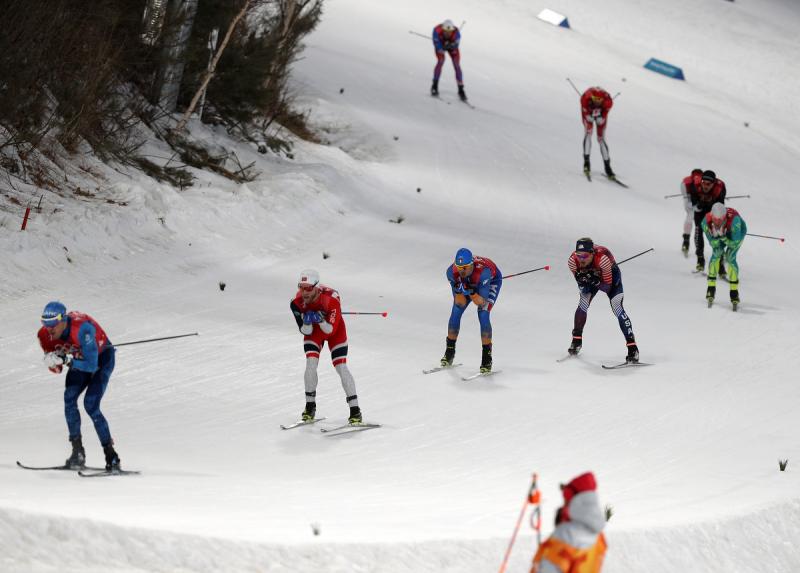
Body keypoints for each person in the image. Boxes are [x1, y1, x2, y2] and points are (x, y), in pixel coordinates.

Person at [37, 301, 121, 471]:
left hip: (101, 358)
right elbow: (58, 369)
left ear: (63, 320)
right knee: (69, 398)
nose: (49, 328)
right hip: (79, 359)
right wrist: (52, 362)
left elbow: (91, 365)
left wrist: (66, 359)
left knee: (90, 404)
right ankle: (77, 452)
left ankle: (111, 455)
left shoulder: (83, 329)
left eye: (53, 323)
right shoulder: (44, 335)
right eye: (45, 323)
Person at [290, 269, 363, 424]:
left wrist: (321, 320)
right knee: (311, 363)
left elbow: (330, 330)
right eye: (301, 287)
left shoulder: (331, 299)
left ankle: (355, 410)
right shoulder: (296, 302)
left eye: (308, 288)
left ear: (316, 287)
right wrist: (307, 322)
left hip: (334, 330)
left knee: (341, 367)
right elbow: (305, 331)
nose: (304, 292)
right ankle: (310, 407)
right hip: (315, 332)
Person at [567, 238, 639, 363]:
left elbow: (608, 288)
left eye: (585, 256)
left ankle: (633, 348)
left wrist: (595, 280)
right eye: (579, 255)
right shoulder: (573, 261)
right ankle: (576, 341)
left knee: (617, 307)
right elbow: (583, 288)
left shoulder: (603, 259)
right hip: (594, 277)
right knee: (583, 304)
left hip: (610, 276)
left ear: (592, 253)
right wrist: (583, 280)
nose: (581, 259)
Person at [530, 472, 607, 573]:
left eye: (566, 500)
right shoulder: (599, 537)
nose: (564, 505)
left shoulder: (565, 535)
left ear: (574, 501)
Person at [441, 248, 502, 373]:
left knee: (483, 314)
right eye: (459, 267)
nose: (461, 271)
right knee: (456, 311)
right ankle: (449, 351)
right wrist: (460, 290)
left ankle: (487, 358)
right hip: (472, 283)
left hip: (489, 281)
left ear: (471, 265)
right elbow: (460, 303)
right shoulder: (451, 272)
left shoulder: (484, 273)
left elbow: (481, 302)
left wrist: (472, 292)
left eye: (465, 267)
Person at [702, 203, 746, 307]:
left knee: (730, 257)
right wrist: (717, 238)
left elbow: (734, 243)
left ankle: (734, 292)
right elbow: (712, 243)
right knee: (717, 253)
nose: (717, 222)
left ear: (724, 216)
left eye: (720, 219)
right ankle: (711, 288)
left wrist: (723, 237)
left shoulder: (735, 221)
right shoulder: (705, 221)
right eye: (715, 219)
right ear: (711, 215)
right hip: (721, 234)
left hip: (736, 233)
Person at [691, 170, 727, 273]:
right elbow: (694, 206)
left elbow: (720, 208)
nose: (705, 186)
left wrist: (710, 203)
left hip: (713, 211)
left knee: (717, 235)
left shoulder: (720, 188)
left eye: (708, 184)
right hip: (700, 211)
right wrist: (699, 205)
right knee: (698, 231)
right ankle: (700, 259)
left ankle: (720, 263)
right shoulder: (695, 185)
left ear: (714, 184)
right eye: (703, 183)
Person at [580, 87, 615, 178]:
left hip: (601, 114)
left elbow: (606, 111)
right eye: (595, 99)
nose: (597, 101)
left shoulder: (608, 102)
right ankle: (586, 162)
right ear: (591, 97)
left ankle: (607, 167)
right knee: (588, 133)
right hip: (588, 112)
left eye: (599, 100)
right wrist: (587, 115)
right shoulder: (585, 98)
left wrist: (603, 117)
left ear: (603, 99)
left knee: (601, 138)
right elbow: (584, 111)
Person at [431, 19, 467, 101]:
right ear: (442, 29)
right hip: (441, 44)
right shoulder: (436, 30)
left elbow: (456, 45)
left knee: (456, 65)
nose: (447, 34)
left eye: (449, 32)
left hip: (451, 47)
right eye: (445, 32)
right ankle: (434, 85)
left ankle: (461, 89)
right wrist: (441, 47)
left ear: (452, 30)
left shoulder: (457, 33)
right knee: (441, 61)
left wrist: (451, 45)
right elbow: (436, 43)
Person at [680, 168, 704, 255]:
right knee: (691, 215)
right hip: (690, 199)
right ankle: (686, 241)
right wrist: (696, 207)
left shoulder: (703, 182)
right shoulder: (686, 183)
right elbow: (687, 203)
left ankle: (687, 240)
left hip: (695, 200)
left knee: (692, 218)